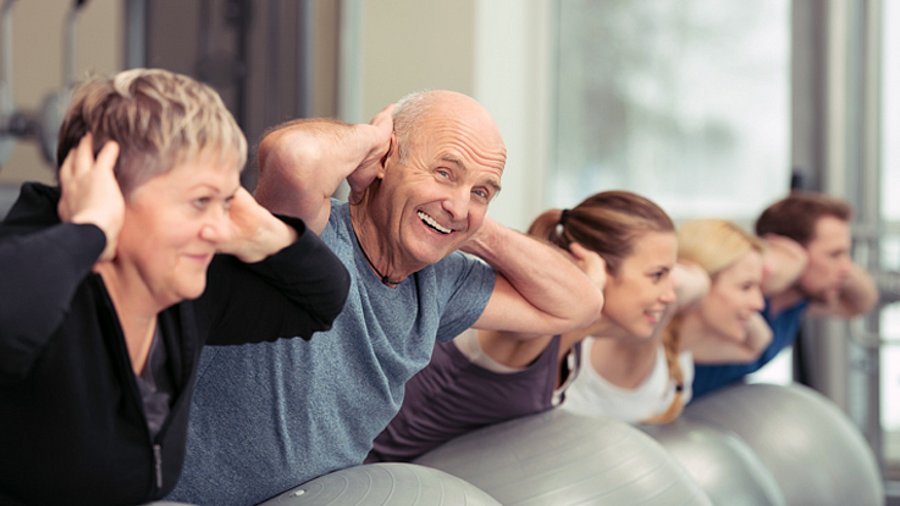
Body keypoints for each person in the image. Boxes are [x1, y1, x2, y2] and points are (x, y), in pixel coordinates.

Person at [169, 90, 606, 505]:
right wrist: (369, 140)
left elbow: (580, 304)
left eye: (482, 191)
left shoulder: (443, 282)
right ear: (385, 160)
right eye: (444, 172)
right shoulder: (308, 235)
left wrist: (472, 225)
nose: (459, 203)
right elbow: (293, 157)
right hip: (178, 501)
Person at [0, 68, 350, 506]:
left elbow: (323, 299)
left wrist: (265, 232)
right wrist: (90, 230)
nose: (217, 225)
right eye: (200, 201)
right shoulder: (38, 276)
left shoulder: (185, 288)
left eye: (225, 201)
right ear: (109, 192)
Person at [366, 190, 691, 462]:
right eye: (656, 276)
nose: (669, 295)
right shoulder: (529, 330)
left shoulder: (573, 344)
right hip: (371, 482)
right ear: (598, 265)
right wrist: (585, 285)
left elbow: (697, 285)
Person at [564, 219, 771, 424]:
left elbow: (757, 345)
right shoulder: (638, 336)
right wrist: (699, 283)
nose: (759, 304)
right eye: (746, 287)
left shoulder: (681, 348)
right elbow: (678, 283)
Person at [691, 192, 879, 398]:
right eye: (834, 254)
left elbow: (861, 302)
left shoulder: (797, 302)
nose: (846, 269)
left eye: (846, 254)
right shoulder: (734, 297)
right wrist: (787, 259)